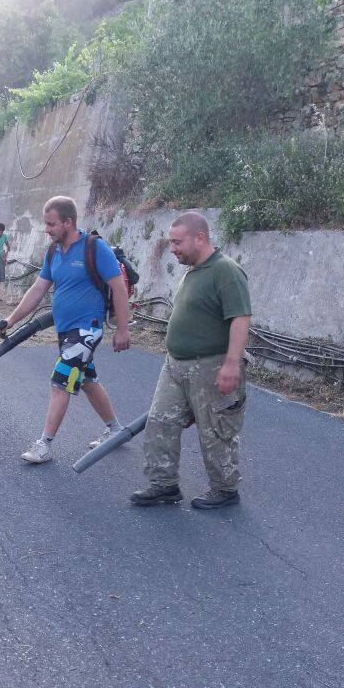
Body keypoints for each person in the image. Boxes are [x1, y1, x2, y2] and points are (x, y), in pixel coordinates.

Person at [131, 210, 252, 511]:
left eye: (177, 242)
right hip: (175, 365)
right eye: (171, 242)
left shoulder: (226, 270)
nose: (172, 249)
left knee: (215, 430)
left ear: (200, 237)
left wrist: (232, 364)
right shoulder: (192, 271)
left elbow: (240, 318)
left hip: (211, 366)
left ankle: (225, 489)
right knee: (161, 422)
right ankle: (163, 485)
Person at [0, 196, 131, 464]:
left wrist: (123, 330)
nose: (46, 229)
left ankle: (44, 444)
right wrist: (9, 320)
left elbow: (118, 288)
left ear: (68, 222)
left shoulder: (95, 248)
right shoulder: (54, 251)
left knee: (60, 382)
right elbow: (38, 290)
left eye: (51, 224)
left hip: (88, 330)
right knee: (88, 381)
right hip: (66, 331)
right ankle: (115, 429)